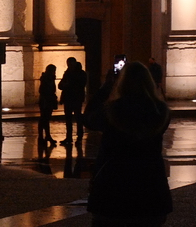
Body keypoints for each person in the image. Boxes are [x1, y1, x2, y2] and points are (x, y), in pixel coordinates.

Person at [85, 61, 172, 227]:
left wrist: (106, 88)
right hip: (150, 182)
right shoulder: (160, 110)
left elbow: (88, 119)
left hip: (114, 181)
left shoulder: (112, 109)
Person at [59, 56, 87, 147]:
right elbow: (61, 85)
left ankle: (79, 137)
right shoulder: (67, 73)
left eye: (70, 64)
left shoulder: (80, 73)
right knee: (68, 119)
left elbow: (81, 84)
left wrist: (68, 84)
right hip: (69, 98)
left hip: (76, 98)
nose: (69, 65)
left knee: (78, 118)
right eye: (68, 64)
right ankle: (69, 137)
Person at [37, 64, 58, 152]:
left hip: (47, 100)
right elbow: (42, 90)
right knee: (44, 119)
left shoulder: (48, 78)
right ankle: (43, 136)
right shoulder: (47, 78)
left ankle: (45, 136)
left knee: (45, 119)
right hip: (46, 100)